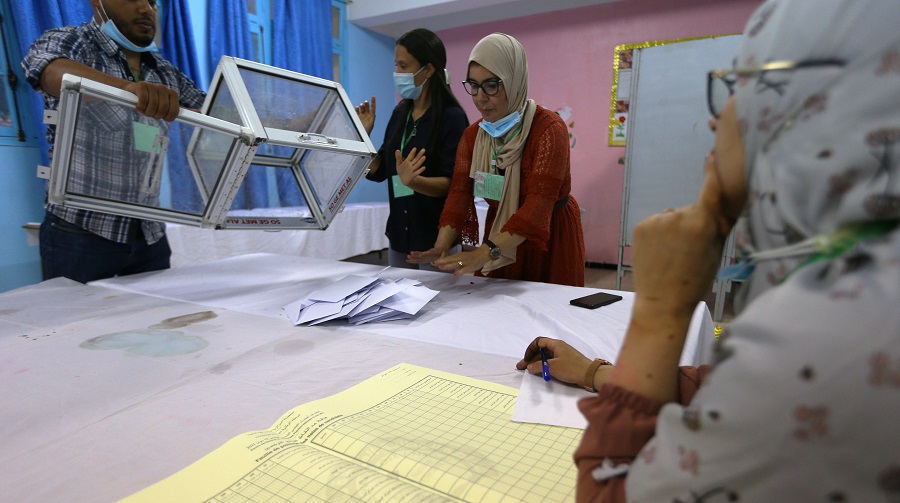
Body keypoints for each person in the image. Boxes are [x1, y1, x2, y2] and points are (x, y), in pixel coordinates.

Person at [518, 1, 900, 500]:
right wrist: (595, 372)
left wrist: (660, 311)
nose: (718, 120)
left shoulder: (842, 327)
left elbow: (611, 491)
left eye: (744, 89)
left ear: (816, 108)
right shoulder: (851, 269)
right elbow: (733, 388)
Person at [23, 0, 206, 283]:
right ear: (98, 3)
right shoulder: (74, 42)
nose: (147, 9)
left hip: (148, 232)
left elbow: (214, 113)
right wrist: (129, 90)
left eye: (153, 2)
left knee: (155, 322)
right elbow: (48, 70)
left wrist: (284, 122)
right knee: (76, 324)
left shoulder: (165, 72)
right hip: (81, 232)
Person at [408, 33, 585, 287]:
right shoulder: (473, 136)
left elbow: (537, 209)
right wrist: (441, 245)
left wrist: (483, 252)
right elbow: (459, 194)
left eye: (491, 85)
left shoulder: (548, 130)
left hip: (547, 238)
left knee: (549, 315)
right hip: (498, 236)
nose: (480, 97)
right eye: (473, 85)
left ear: (513, 81)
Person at [356, 28, 468, 270]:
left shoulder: (452, 118)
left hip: (434, 239)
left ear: (428, 69)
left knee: (437, 306)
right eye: (396, 65)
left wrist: (413, 182)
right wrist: (362, 138)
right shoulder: (400, 113)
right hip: (399, 237)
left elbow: (454, 184)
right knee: (397, 304)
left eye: (404, 66)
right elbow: (381, 170)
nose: (397, 73)